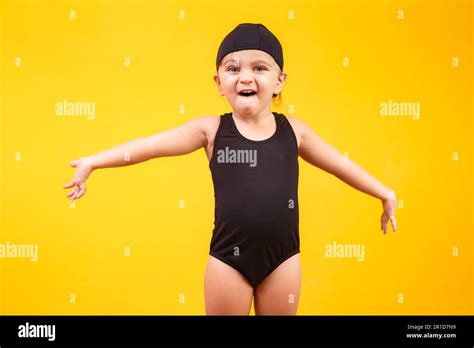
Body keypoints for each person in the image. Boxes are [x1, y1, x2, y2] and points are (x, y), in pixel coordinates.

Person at [64, 23, 397, 315]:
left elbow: (341, 165)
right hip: (228, 260)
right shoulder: (210, 131)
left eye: (260, 68)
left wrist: (384, 192)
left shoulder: (295, 132)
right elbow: (149, 146)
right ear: (219, 82)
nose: (246, 76)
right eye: (233, 68)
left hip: (283, 260)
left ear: (279, 81)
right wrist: (94, 161)